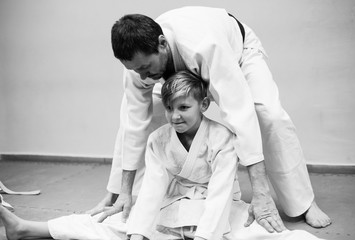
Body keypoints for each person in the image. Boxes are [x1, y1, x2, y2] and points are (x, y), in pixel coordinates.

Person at [0, 71, 325, 240]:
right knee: (118, 225)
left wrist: (203, 237)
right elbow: (154, 188)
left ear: (204, 105)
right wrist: (139, 233)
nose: (175, 116)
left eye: (184, 107)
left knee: (255, 233)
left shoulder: (223, 137)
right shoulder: (159, 139)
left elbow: (220, 192)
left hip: (217, 206)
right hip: (173, 200)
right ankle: (27, 228)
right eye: (169, 108)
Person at [88, 6, 331, 231]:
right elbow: (133, 125)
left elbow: (239, 112)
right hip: (177, 67)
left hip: (237, 55)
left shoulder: (204, 44)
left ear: (162, 44)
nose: (142, 75)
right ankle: (122, 198)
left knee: (269, 114)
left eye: (145, 67)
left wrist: (260, 193)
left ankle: (303, 203)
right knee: (138, 119)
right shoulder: (138, 64)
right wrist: (123, 190)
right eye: (136, 70)